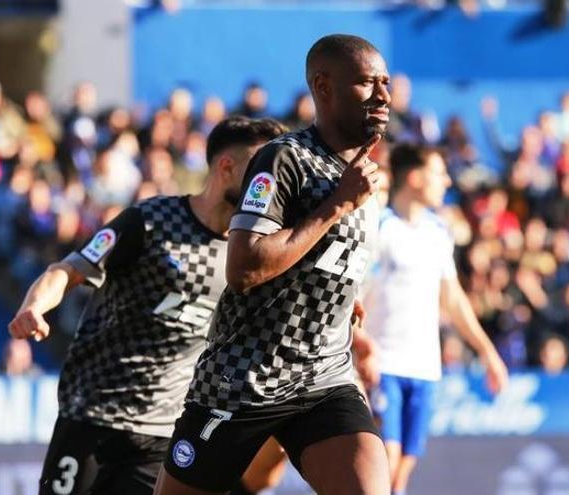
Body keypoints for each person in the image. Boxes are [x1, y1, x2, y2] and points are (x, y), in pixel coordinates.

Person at [154, 34, 391, 495]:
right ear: (323, 87)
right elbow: (244, 268)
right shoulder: (285, 160)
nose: (383, 95)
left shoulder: (362, 173)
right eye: (366, 83)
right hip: (245, 378)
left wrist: (349, 305)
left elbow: (325, 260)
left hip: (324, 377)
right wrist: (337, 205)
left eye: (385, 82)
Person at [7, 116, 286, 495]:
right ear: (226, 167)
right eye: (262, 170)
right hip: (92, 416)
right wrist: (34, 307)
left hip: (161, 434)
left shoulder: (252, 252)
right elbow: (67, 270)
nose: (270, 185)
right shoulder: (151, 221)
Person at [363, 143, 509, 495]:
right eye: (438, 173)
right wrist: (360, 350)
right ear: (414, 177)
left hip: (425, 367)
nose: (446, 181)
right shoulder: (380, 227)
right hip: (383, 364)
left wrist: (487, 352)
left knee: (400, 475)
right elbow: (354, 295)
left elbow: (453, 299)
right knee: (386, 459)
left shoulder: (437, 231)